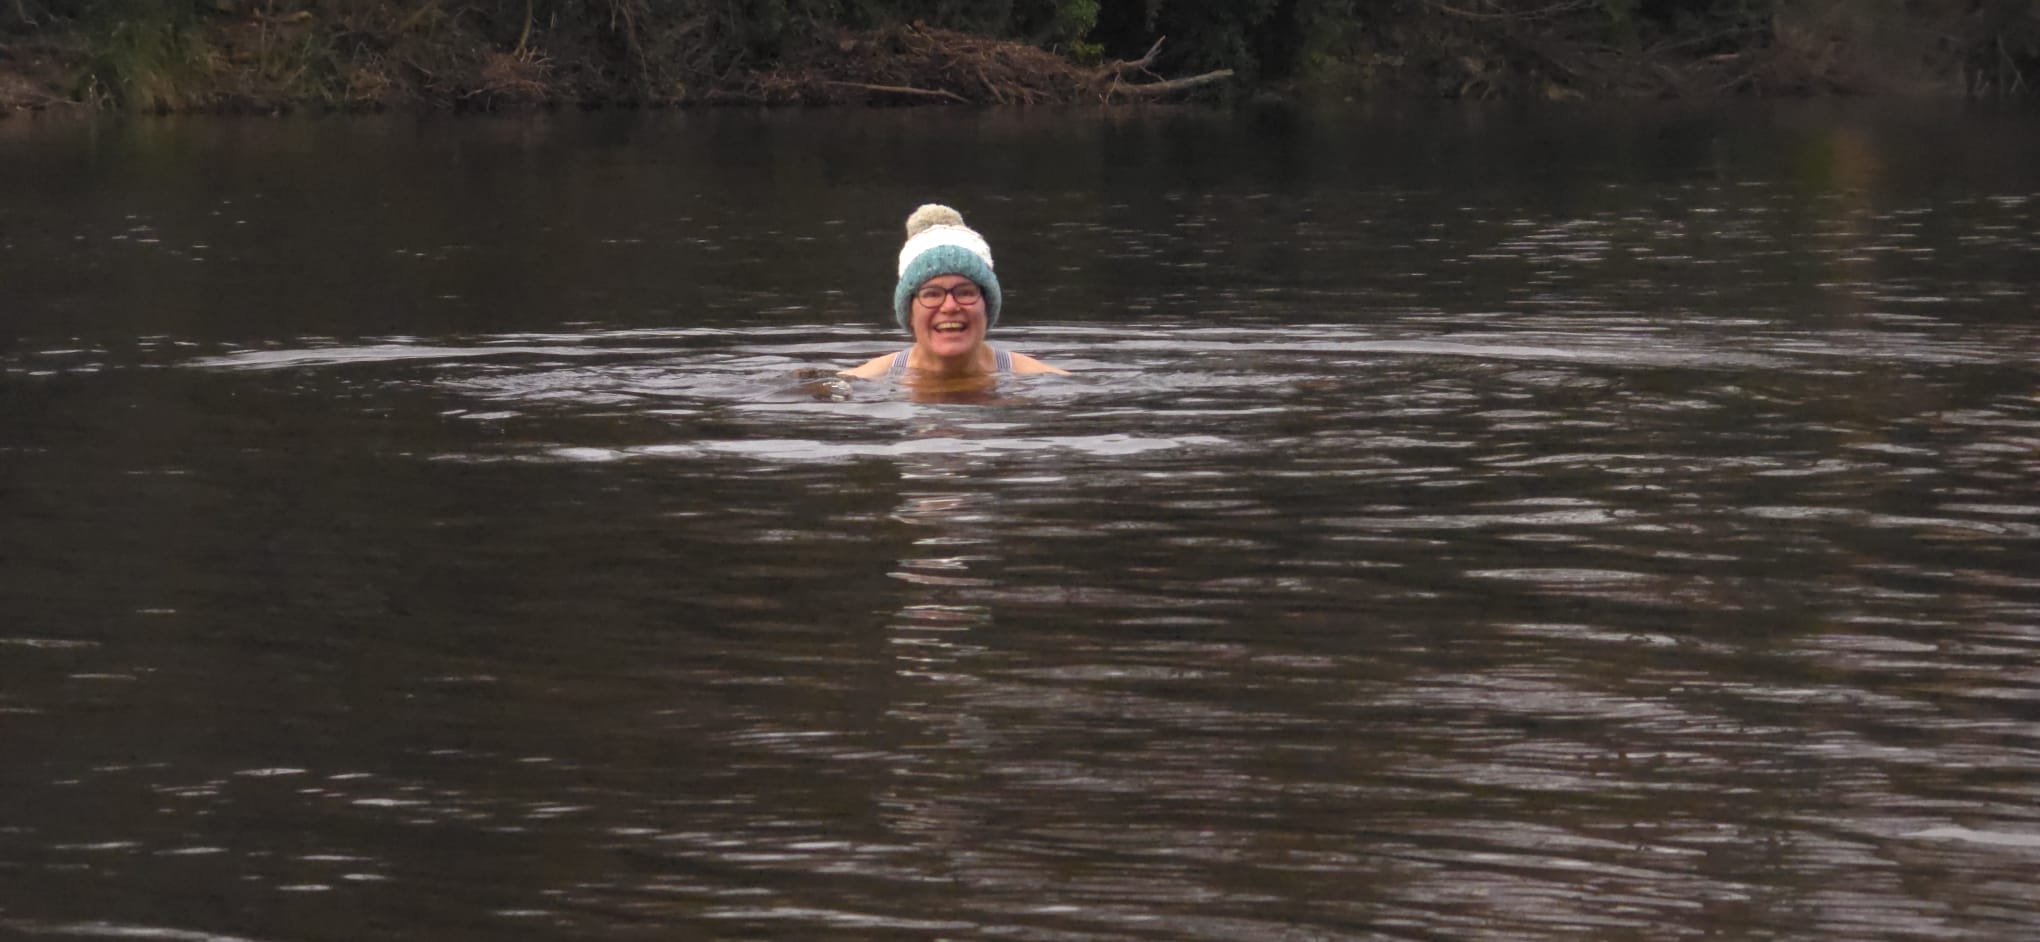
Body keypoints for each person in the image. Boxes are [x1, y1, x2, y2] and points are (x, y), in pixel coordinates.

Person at [843, 204, 1068, 383]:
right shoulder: (863, 383)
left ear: (987, 306)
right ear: (909, 310)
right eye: (932, 294)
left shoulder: (1044, 382)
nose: (950, 306)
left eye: (965, 292)